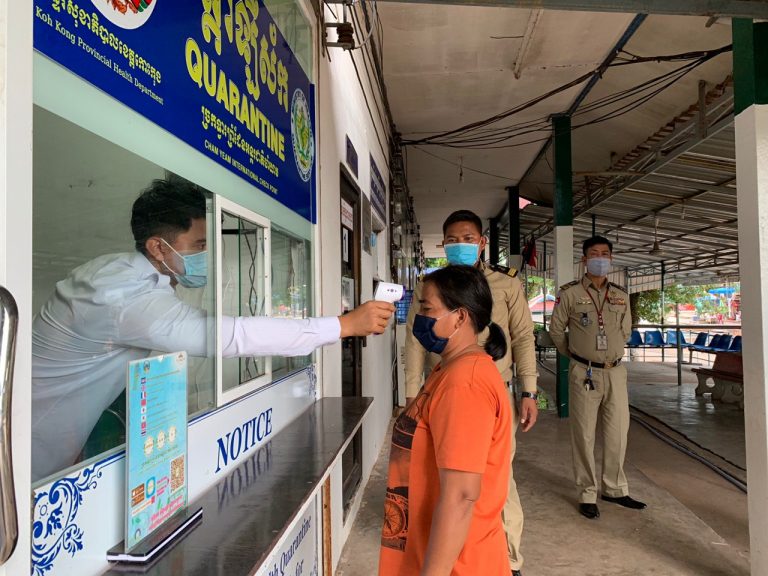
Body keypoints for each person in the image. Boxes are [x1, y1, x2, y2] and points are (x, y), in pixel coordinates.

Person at [31, 176, 394, 482]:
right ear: (158, 247)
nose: (206, 255)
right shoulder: (124, 297)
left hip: (61, 433)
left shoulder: (121, 273)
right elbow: (231, 336)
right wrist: (343, 325)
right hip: (34, 443)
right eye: (199, 245)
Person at [404, 209, 537, 576]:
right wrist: (412, 395)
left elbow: (523, 337)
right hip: (444, 391)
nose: (459, 245)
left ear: (481, 242)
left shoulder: (505, 283)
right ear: (443, 245)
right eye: (451, 240)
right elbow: (414, 341)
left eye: (467, 239)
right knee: (448, 478)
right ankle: (454, 549)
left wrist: (529, 391)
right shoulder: (431, 285)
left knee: (495, 478)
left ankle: (508, 557)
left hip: (493, 389)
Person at [380, 265, 511, 576]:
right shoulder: (448, 369)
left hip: (459, 565)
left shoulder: (465, 383)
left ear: (460, 317)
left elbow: (461, 495)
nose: (419, 317)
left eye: (427, 308)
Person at [548, 235, 647, 519]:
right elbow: (556, 331)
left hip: (615, 371)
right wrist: (576, 354)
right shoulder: (570, 293)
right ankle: (587, 493)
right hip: (584, 372)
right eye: (594, 254)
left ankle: (614, 489)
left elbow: (626, 330)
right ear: (584, 260)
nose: (600, 259)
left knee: (618, 432)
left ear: (611, 259)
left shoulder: (620, 295)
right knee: (583, 434)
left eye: (605, 254)